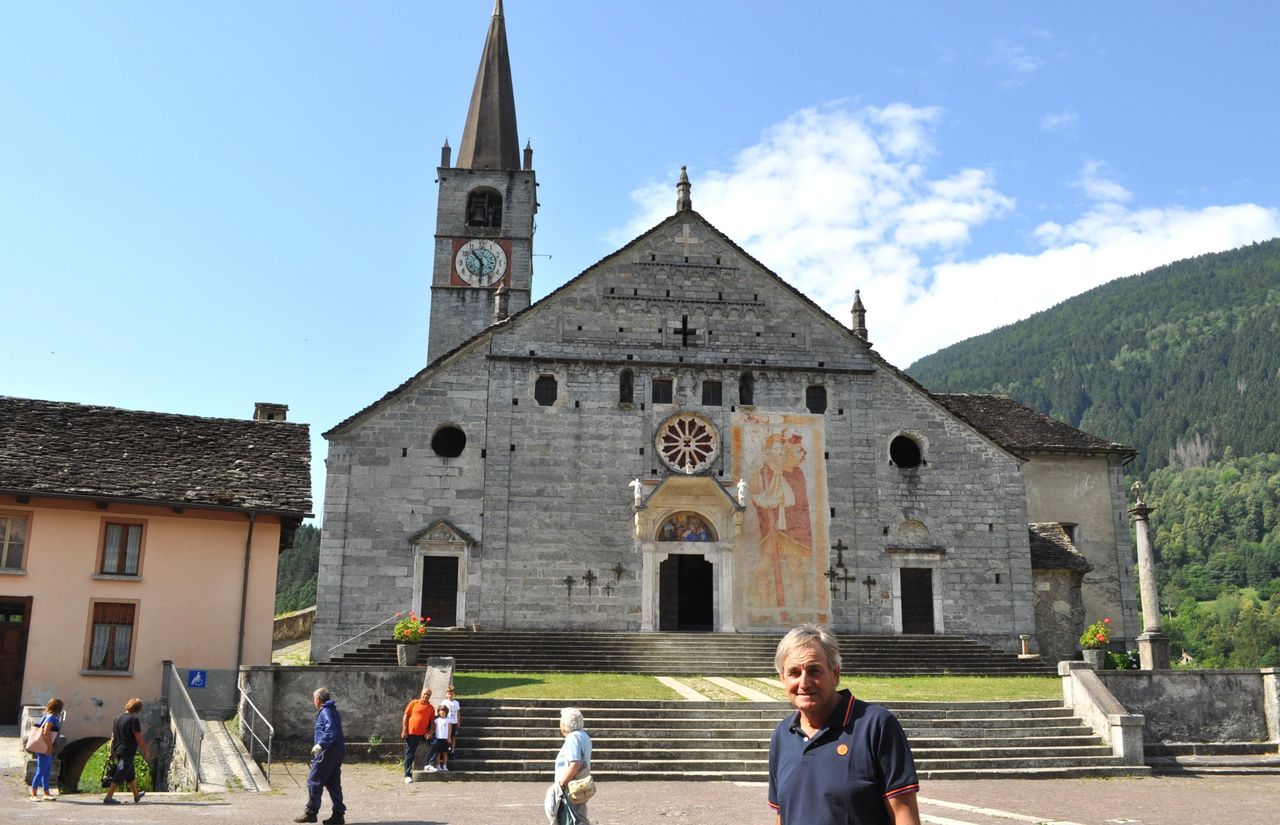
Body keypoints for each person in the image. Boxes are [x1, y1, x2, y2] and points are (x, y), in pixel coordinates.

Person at [767, 624, 920, 825]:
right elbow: (783, 815)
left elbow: (904, 815)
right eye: (794, 673)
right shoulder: (782, 735)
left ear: (836, 674)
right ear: (782, 679)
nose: (804, 683)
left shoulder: (876, 726)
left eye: (815, 671)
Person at [295, 687, 346, 825]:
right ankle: (338, 815)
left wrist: (321, 744)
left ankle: (311, 813)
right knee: (333, 784)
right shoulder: (333, 711)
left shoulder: (325, 712)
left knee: (313, 781)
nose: (314, 702)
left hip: (327, 753)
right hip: (336, 752)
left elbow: (331, 731)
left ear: (318, 699)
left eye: (314, 699)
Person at [544, 706, 592, 825]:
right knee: (578, 818)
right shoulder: (584, 736)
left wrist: (561, 785)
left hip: (569, 786)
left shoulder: (572, 738)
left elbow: (575, 764)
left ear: (566, 723)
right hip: (580, 786)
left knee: (568, 819)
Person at [103, 697, 150, 805]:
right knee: (121, 772)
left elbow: (113, 736)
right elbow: (138, 737)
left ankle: (136, 795)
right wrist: (146, 751)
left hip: (118, 749)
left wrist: (111, 751)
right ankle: (109, 796)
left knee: (130, 773)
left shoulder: (117, 719)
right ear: (138, 709)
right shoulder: (134, 720)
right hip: (127, 750)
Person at [29, 696, 63, 800]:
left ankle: (46, 792)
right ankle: (34, 794)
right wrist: (49, 746)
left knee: (47, 770)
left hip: (44, 746)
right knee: (41, 770)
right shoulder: (51, 718)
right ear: (58, 708)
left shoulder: (47, 715)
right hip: (45, 747)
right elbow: (45, 732)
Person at [400, 687, 433, 783]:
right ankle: (407, 775)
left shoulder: (431, 708)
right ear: (421, 694)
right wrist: (404, 730)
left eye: (428, 695)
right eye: (425, 694)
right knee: (410, 754)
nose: (426, 696)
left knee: (435, 744)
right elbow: (406, 716)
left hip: (423, 734)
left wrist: (430, 732)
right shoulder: (413, 703)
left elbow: (432, 722)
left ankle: (429, 765)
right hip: (411, 733)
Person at [426, 702, 453, 772]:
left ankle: (444, 766)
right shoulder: (436, 720)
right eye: (441, 710)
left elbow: (450, 729)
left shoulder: (448, 720)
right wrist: (430, 733)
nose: (442, 712)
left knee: (445, 753)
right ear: (438, 712)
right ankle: (438, 766)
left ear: (446, 712)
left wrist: (449, 737)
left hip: (445, 739)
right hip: (438, 738)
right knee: (438, 753)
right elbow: (434, 729)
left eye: (444, 711)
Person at [442, 685, 461, 760]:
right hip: (447, 722)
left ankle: (452, 750)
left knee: (453, 736)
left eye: (452, 693)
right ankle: (446, 750)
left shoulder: (456, 703)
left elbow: (458, 713)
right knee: (447, 736)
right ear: (446, 694)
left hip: (454, 722)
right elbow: (441, 711)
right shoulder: (444, 702)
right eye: (448, 693)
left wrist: (458, 721)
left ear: (454, 694)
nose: (450, 695)